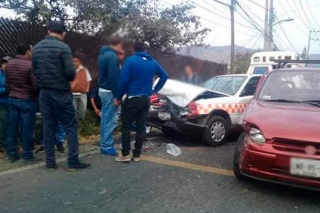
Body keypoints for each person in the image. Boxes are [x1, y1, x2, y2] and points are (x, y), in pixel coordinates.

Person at [32, 22, 91, 171]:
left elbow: (34, 71)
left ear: (48, 31)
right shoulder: (63, 47)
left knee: (48, 126)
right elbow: (71, 73)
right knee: (70, 126)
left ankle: (50, 163)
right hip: (61, 92)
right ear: (63, 33)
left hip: (43, 93)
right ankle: (72, 161)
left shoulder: (37, 47)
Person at [115, 41, 168, 162]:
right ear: (145, 50)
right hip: (146, 99)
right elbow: (164, 76)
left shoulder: (130, 60)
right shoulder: (152, 62)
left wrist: (118, 97)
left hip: (132, 98)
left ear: (134, 50)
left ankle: (125, 154)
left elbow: (124, 81)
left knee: (126, 126)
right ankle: (137, 155)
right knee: (141, 127)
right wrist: (154, 90)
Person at [5, 42, 39, 163]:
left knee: (12, 127)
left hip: (12, 98)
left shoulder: (9, 65)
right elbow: (35, 84)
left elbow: (8, 85)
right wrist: (35, 94)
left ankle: (12, 154)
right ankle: (27, 155)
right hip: (27, 100)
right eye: (31, 50)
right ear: (27, 52)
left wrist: (12, 93)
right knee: (27, 128)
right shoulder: (30, 65)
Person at [98, 36, 123, 156]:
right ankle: (107, 146)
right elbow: (114, 77)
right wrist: (117, 96)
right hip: (109, 92)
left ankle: (104, 143)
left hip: (103, 90)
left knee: (105, 119)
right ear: (117, 44)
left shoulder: (103, 55)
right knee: (110, 120)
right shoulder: (113, 57)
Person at [0, 56, 12, 158]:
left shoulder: (13, 75)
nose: (5, 65)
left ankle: (13, 146)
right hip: (2, 105)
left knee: (14, 127)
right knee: (2, 127)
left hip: (13, 104)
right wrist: (6, 89)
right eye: (4, 63)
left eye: (7, 63)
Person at [72, 56, 92, 121]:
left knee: (82, 110)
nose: (74, 63)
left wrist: (87, 89)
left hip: (82, 93)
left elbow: (88, 80)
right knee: (73, 110)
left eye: (76, 61)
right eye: (73, 61)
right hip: (72, 93)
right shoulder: (69, 70)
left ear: (80, 62)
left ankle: (81, 125)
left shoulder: (84, 70)